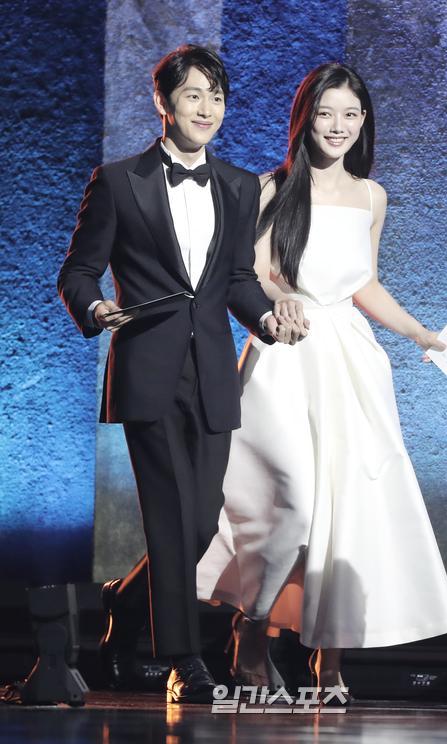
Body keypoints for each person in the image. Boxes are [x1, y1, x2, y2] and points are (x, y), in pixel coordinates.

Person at [197, 62, 447, 702]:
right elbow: (250, 273)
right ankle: (252, 629)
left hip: (351, 360)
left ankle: (329, 657)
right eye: (325, 113)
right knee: (289, 499)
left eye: (349, 114)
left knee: (350, 507)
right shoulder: (270, 188)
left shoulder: (372, 197)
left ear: (364, 121)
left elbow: (363, 282)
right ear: (304, 118)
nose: (337, 126)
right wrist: (275, 305)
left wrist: (419, 333)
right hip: (286, 352)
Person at [57, 44, 305, 704]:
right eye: (193, 95)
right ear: (163, 103)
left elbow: (239, 282)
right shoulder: (118, 181)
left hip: (213, 374)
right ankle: (184, 658)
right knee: (170, 518)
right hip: (148, 369)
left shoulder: (240, 185)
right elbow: (77, 271)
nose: (207, 108)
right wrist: (94, 305)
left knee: (198, 524)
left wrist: (270, 319)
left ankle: (126, 605)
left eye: (216, 97)